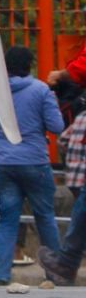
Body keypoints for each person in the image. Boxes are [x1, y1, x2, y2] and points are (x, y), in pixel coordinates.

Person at [0, 44, 63, 286]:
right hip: (35, 161)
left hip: (5, 163)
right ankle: (55, 272)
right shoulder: (41, 91)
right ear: (30, 66)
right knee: (45, 216)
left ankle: (1, 274)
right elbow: (56, 126)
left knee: (7, 219)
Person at [40, 104, 86, 286]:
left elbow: (62, 139)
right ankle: (66, 263)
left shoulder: (82, 116)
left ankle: (66, 263)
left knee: (81, 216)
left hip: (76, 177)